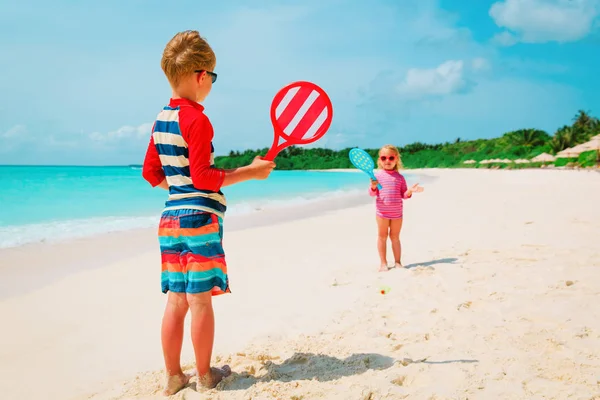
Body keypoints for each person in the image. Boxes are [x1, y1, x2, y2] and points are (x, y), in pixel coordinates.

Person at [141, 30, 276, 395]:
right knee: (200, 302)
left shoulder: (160, 120)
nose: (211, 84)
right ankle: (204, 376)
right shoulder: (197, 120)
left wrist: (180, 192)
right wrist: (252, 171)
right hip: (200, 219)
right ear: (202, 76)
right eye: (212, 77)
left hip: (169, 220)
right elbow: (203, 176)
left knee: (176, 300)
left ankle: (173, 375)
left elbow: (151, 173)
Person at [369, 144, 423, 272]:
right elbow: (372, 193)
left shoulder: (400, 178)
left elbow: (403, 195)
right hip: (382, 213)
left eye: (391, 158)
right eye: (384, 158)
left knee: (395, 237)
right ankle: (383, 263)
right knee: (382, 236)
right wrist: (373, 186)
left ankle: (398, 262)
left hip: (397, 213)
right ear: (379, 160)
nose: (387, 161)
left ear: (396, 159)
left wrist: (409, 191)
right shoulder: (377, 177)